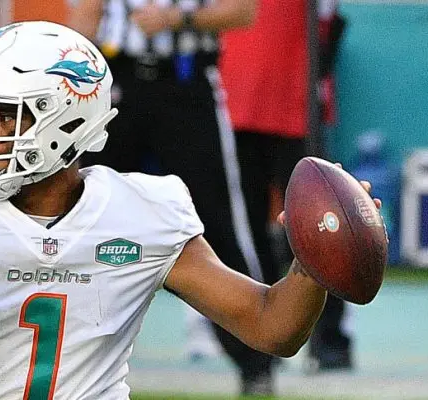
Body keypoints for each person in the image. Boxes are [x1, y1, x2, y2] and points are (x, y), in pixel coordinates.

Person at [0, 21, 382, 399]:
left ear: (65, 121)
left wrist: (311, 263)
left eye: (3, 118)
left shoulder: (143, 210)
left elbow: (271, 328)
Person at [68, 0, 280, 394]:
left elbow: (242, 12)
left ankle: (254, 357)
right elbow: (86, 14)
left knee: (217, 221)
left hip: (185, 84)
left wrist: (176, 18)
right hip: (116, 80)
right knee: (78, 205)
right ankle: (60, 340)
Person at [218, 0, 353, 371]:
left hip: (296, 99)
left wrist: (321, 76)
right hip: (238, 98)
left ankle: (329, 338)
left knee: (323, 219)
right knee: (247, 230)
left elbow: (331, 22)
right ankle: (260, 338)